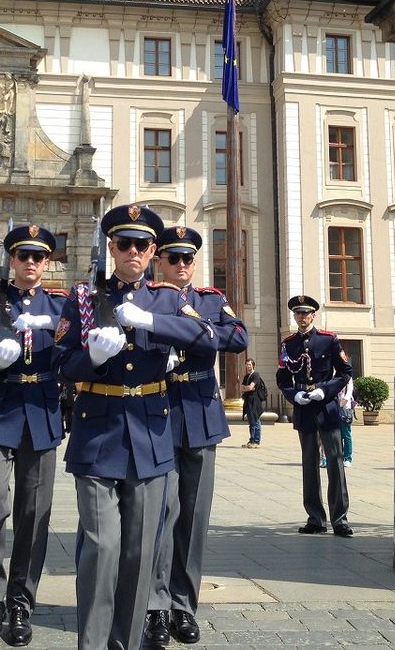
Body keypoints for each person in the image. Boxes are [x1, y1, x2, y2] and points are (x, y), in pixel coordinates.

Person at [54, 204, 217, 650]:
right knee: (102, 545)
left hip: (150, 434)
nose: (133, 251)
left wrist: (153, 322)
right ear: (111, 248)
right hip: (97, 432)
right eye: (124, 243)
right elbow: (60, 363)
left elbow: (208, 339)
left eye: (142, 245)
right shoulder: (85, 298)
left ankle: (124, 643)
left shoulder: (167, 298)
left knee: (140, 551)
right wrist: (92, 358)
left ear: (151, 252)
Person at [145, 225, 247, 648]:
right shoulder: (147, 298)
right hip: (159, 412)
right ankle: (155, 606)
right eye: (174, 258)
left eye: (188, 258)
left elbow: (237, 337)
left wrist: (195, 330)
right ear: (160, 261)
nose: (182, 265)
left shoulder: (210, 300)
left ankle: (183, 606)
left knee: (193, 517)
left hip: (201, 413)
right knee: (160, 514)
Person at [0, 223, 68, 646]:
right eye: (23, 255)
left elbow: (70, 357)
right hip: (1, 408)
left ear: (47, 262)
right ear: (11, 259)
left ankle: (21, 602)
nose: (30, 262)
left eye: (38, 256)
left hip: (42, 411)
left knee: (34, 512)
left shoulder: (61, 305)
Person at [276, 294, 354, 538]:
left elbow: (345, 372)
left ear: (313, 315)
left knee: (335, 462)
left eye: (305, 313)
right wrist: (294, 394)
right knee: (309, 464)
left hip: (326, 406)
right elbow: (282, 378)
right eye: (298, 313)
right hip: (304, 407)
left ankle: (339, 519)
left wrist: (325, 390)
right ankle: (315, 518)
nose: (301, 317)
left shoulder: (328, 340)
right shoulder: (289, 344)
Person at [240, 359, 266, 448]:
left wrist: (247, 388)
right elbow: (241, 388)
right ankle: (251, 440)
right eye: (247, 364)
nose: (248, 366)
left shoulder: (256, 375)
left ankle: (256, 441)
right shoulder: (246, 376)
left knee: (256, 420)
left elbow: (251, 387)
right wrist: (247, 388)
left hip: (255, 401)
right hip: (248, 400)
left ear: (253, 365)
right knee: (251, 421)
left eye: (249, 364)